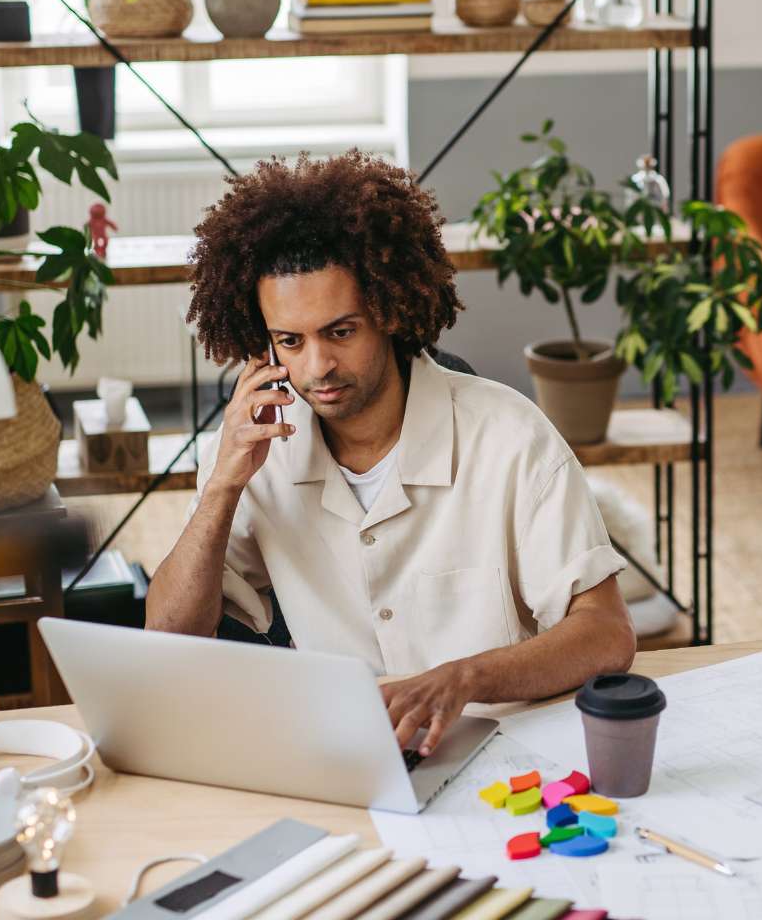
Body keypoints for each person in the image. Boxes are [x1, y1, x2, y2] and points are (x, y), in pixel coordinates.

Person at [146, 151, 636, 756]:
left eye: (341, 332)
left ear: (391, 311)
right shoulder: (257, 453)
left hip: (511, 748)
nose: (317, 366)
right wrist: (222, 486)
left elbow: (607, 634)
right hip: (347, 756)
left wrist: (463, 678)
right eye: (290, 342)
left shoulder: (510, 436)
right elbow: (169, 637)